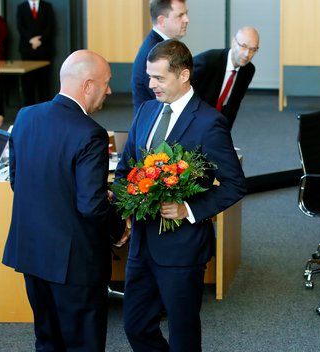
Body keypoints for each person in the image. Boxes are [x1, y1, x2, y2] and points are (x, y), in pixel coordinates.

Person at [116, 39, 246, 352]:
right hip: (142, 243)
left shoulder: (208, 123)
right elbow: (126, 168)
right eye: (149, 77)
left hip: (182, 247)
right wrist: (125, 207)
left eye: (159, 78)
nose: (151, 85)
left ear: (184, 75)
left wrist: (187, 208)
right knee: (135, 325)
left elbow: (234, 184)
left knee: (183, 332)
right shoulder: (146, 110)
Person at [2, 50, 123, 351]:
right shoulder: (90, 134)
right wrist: (119, 228)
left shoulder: (26, 116)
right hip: (75, 263)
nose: (109, 90)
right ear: (87, 85)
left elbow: (19, 180)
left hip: (32, 252)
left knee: (47, 339)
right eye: (106, 83)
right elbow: (91, 205)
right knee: (83, 343)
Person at [193, 26, 258, 129]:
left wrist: (224, 133)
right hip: (195, 117)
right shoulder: (207, 61)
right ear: (233, 42)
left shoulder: (248, 70)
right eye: (243, 46)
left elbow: (234, 105)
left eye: (253, 49)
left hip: (217, 119)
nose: (247, 54)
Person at [131, 0, 189, 110]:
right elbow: (169, 97)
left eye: (186, 14)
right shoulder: (155, 53)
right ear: (161, 21)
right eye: (180, 15)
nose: (187, 19)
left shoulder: (159, 45)